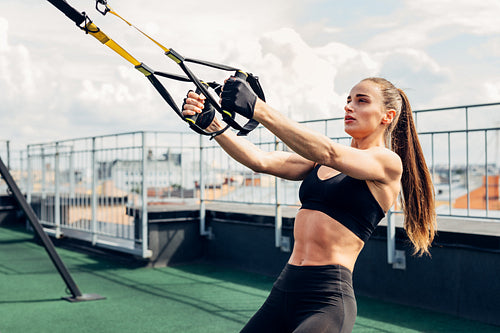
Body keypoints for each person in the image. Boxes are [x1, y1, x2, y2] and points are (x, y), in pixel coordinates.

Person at [182, 76, 437, 333]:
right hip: (285, 288)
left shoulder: (387, 162)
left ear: (387, 116)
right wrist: (213, 123)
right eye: (348, 101)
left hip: (326, 299)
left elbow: (329, 151)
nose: (349, 107)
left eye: (361, 101)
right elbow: (260, 160)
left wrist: (257, 107)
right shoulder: (320, 163)